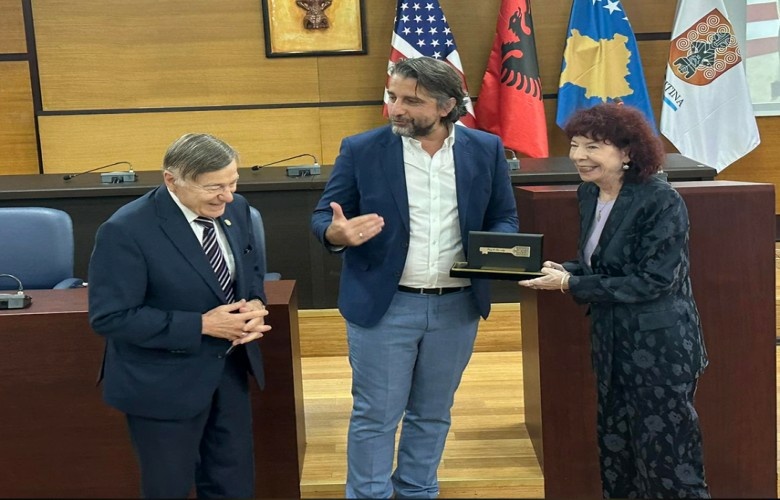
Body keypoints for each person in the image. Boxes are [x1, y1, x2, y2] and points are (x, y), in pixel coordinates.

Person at [311, 56, 519, 498]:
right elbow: (323, 217)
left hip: (457, 306)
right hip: (386, 306)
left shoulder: (485, 149)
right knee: (376, 415)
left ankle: (417, 490)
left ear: (446, 106)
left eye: (411, 101)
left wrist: (496, 248)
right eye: (393, 97)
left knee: (433, 412)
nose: (396, 109)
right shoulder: (362, 149)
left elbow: (504, 215)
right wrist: (335, 233)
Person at [520, 103, 709, 499]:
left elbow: (654, 281)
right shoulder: (590, 193)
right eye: (575, 145)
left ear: (627, 152)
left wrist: (571, 283)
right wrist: (568, 269)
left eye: (593, 146)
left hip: (658, 348)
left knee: (667, 457)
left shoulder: (660, 200)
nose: (579, 156)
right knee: (617, 451)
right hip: (610, 342)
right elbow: (605, 263)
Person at [88, 133, 271, 498]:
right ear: (172, 180)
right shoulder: (126, 230)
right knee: (168, 488)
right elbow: (111, 317)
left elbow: (249, 274)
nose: (227, 196)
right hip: (162, 384)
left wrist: (253, 305)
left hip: (228, 373)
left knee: (233, 486)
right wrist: (204, 324)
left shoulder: (236, 209)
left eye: (233, 183)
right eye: (214, 187)